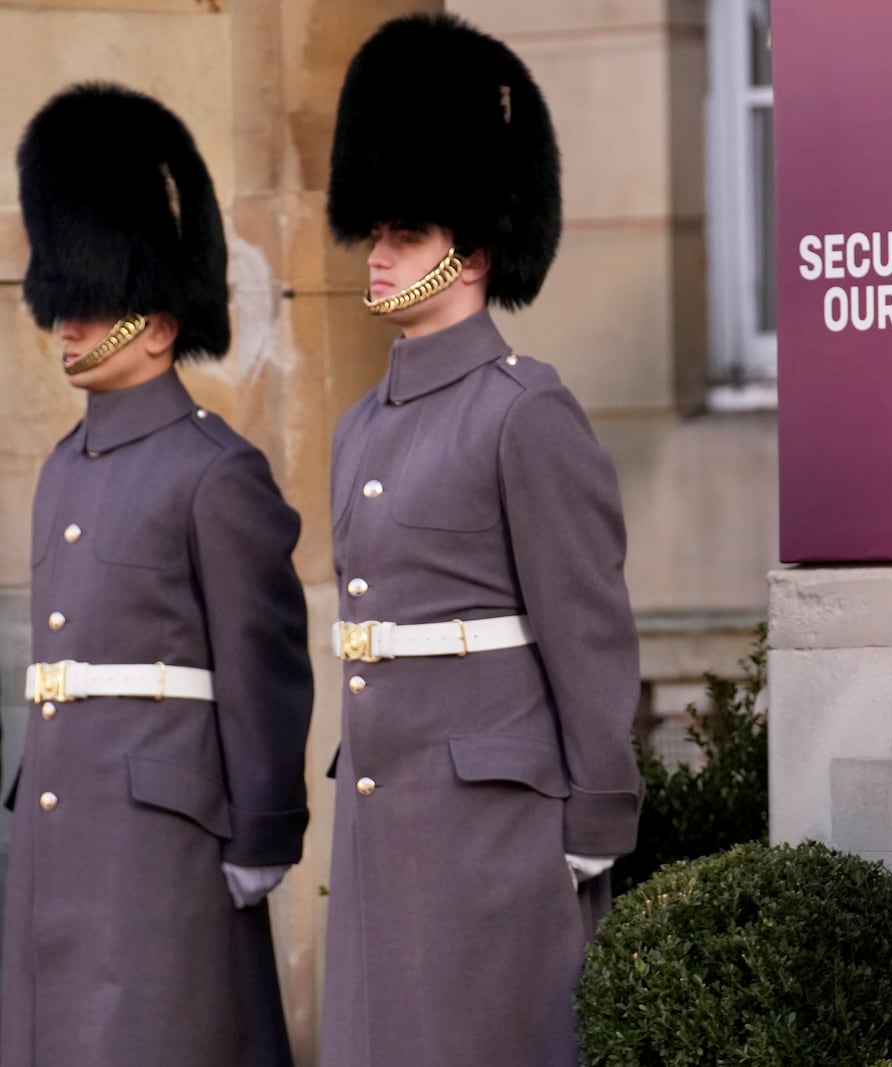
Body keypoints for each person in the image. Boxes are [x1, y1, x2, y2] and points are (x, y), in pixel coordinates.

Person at [319, 14, 643, 1065]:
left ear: (471, 250)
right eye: (376, 234)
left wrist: (598, 809)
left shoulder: (523, 411)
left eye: (404, 236)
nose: (377, 257)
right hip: (388, 803)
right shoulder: (363, 424)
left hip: (494, 819)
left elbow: (587, 631)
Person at [1, 83, 312, 1066]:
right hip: (63, 828)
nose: (70, 326)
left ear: (162, 323)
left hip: (162, 840)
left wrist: (262, 828)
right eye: (66, 303)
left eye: (94, 306)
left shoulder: (214, 470)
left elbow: (262, 663)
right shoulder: (59, 470)